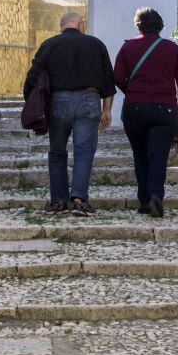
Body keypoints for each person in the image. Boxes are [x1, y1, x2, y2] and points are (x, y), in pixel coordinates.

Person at [23, 12, 115, 216]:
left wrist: (32, 102)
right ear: (81, 25)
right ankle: (79, 199)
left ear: (61, 26)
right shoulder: (96, 44)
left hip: (60, 101)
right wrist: (107, 110)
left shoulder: (49, 45)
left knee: (57, 152)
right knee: (84, 152)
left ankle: (58, 201)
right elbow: (109, 80)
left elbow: (33, 76)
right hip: (90, 100)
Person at [113, 7, 178, 218]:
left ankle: (144, 200)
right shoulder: (172, 49)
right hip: (164, 109)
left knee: (140, 156)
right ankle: (156, 195)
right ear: (160, 25)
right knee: (158, 156)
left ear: (138, 25)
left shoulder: (127, 48)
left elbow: (118, 76)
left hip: (135, 109)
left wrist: (134, 91)